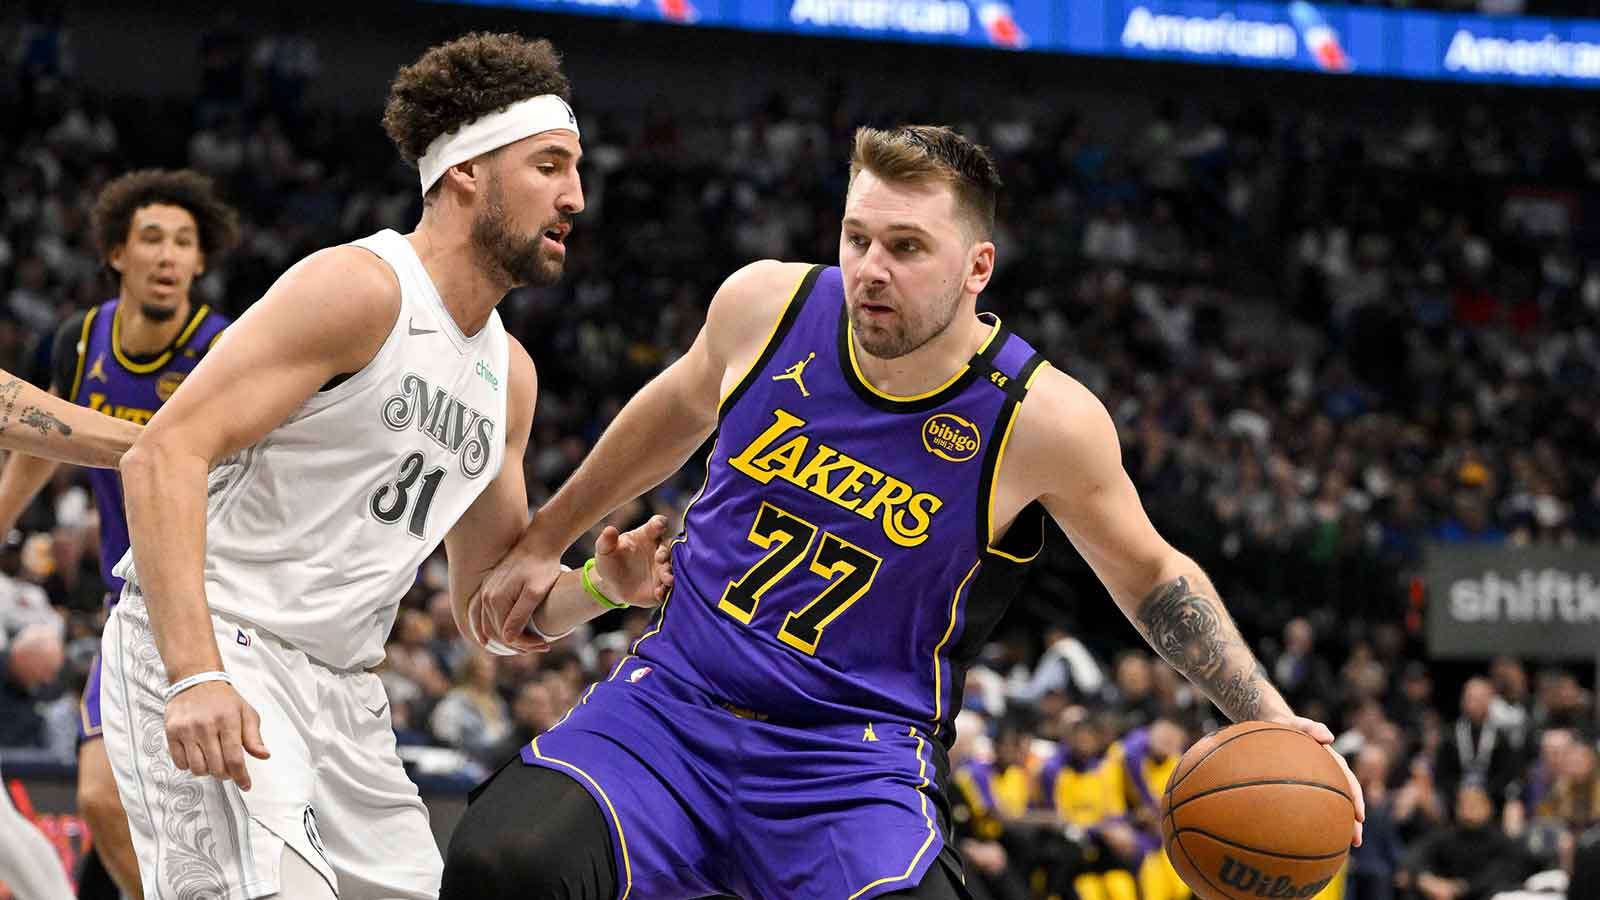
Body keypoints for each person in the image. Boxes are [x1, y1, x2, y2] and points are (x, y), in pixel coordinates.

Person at [450, 124, 1363, 900]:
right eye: (858, 238)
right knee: (505, 862)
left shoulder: (1038, 418)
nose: (870, 270)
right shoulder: (767, 304)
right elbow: (674, 410)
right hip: (673, 713)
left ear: (977, 266)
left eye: (907, 247)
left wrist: (1267, 716)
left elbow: (1153, 576)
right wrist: (543, 541)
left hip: (851, 762)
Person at [97, 32, 666, 900]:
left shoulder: (508, 375)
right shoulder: (361, 288)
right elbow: (161, 453)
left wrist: (597, 590)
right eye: (549, 165)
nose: (576, 197)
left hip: (346, 697)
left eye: (575, 170)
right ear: (467, 169)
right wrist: (197, 672)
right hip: (226, 646)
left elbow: (487, 613)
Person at [0, 166, 238, 899]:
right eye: (152, 239)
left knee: (225, 811)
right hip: (126, 605)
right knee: (101, 801)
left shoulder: (225, 347)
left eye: (184, 243)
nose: (168, 256)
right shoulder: (80, 343)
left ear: (201, 262)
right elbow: (47, 440)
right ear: (116, 254)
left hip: (223, 606)